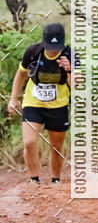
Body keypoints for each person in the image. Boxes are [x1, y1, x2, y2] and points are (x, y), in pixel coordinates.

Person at [7, 22, 72, 185]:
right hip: (33, 102)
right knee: (29, 142)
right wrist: (14, 98)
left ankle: (55, 180)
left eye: (56, 46)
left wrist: (69, 70)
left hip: (58, 105)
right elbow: (21, 74)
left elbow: (76, 85)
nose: (53, 50)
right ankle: (34, 180)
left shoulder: (69, 55)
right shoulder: (33, 52)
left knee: (56, 147)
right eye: (50, 46)